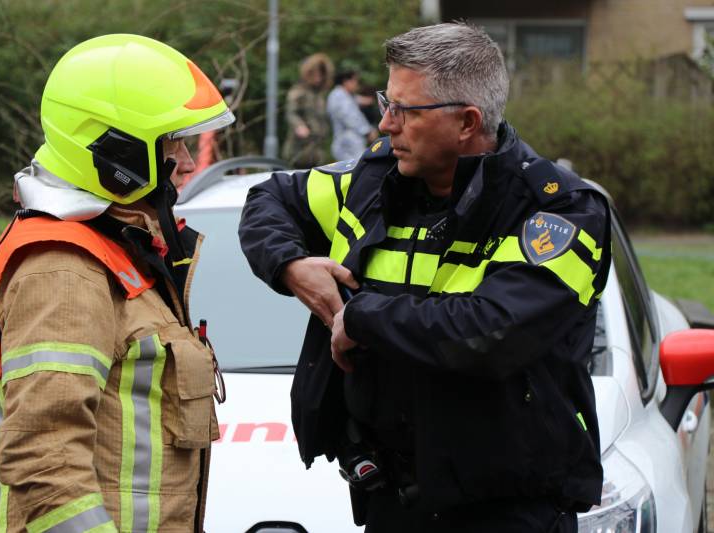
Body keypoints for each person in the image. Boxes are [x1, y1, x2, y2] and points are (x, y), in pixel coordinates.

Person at [239, 22, 610, 533]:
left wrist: (359, 318)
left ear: (467, 122)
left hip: (507, 513)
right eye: (385, 103)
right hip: (392, 502)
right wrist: (291, 266)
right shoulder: (373, 180)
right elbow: (268, 198)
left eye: (404, 110)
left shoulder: (556, 211)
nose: (384, 124)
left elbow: (490, 332)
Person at [0, 34, 232, 533]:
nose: (189, 162)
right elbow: (45, 463)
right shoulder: (63, 272)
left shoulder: (118, 250)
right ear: (118, 153)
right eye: (173, 143)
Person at [281, 53, 333, 168]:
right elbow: (291, 112)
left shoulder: (319, 95)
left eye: (321, 75)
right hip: (299, 148)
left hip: (317, 149)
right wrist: (299, 126)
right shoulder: (298, 91)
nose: (318, 79)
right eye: (316, 75)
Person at [327, 69, 378, 161]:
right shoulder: (339, 96)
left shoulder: (344, 95)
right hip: (347, 142)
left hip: (349, 141)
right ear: (346, 81)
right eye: (355, 81)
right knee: (355, 166)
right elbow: (350, 117)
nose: (357, 84)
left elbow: (356, 101)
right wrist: (367, 131)